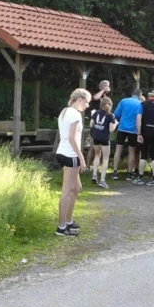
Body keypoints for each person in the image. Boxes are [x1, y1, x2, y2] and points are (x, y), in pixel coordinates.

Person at [56, 88, 91, 236]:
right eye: (87, 102)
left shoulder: (65, 111)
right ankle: (61, 227)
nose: (88, 106)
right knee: (67, 191)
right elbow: (72, 138)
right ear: (80, 99)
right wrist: (82, 158)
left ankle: (68, 221)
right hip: (70, 155)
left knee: (77, 188)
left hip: (62, 152)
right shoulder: (75, 114)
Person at [112, 87, 144, 181]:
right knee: (132, 151)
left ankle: (115, 172)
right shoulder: (140, 104)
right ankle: (129, 173)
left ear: (132, 94)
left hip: (122, 128)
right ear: (140, 95)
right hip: (133, 130)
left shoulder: (124, 101)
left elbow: (116, 114)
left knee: (118, 150)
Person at [90, 96, 117, 188]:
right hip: (104, 138)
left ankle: (94, 175)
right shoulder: (111, 115)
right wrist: (116, 123)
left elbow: (91, 124)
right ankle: (102, 180)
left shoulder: (96, 113)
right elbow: (111, 129)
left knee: (97, 155)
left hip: (96, 137)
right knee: (105, 158)